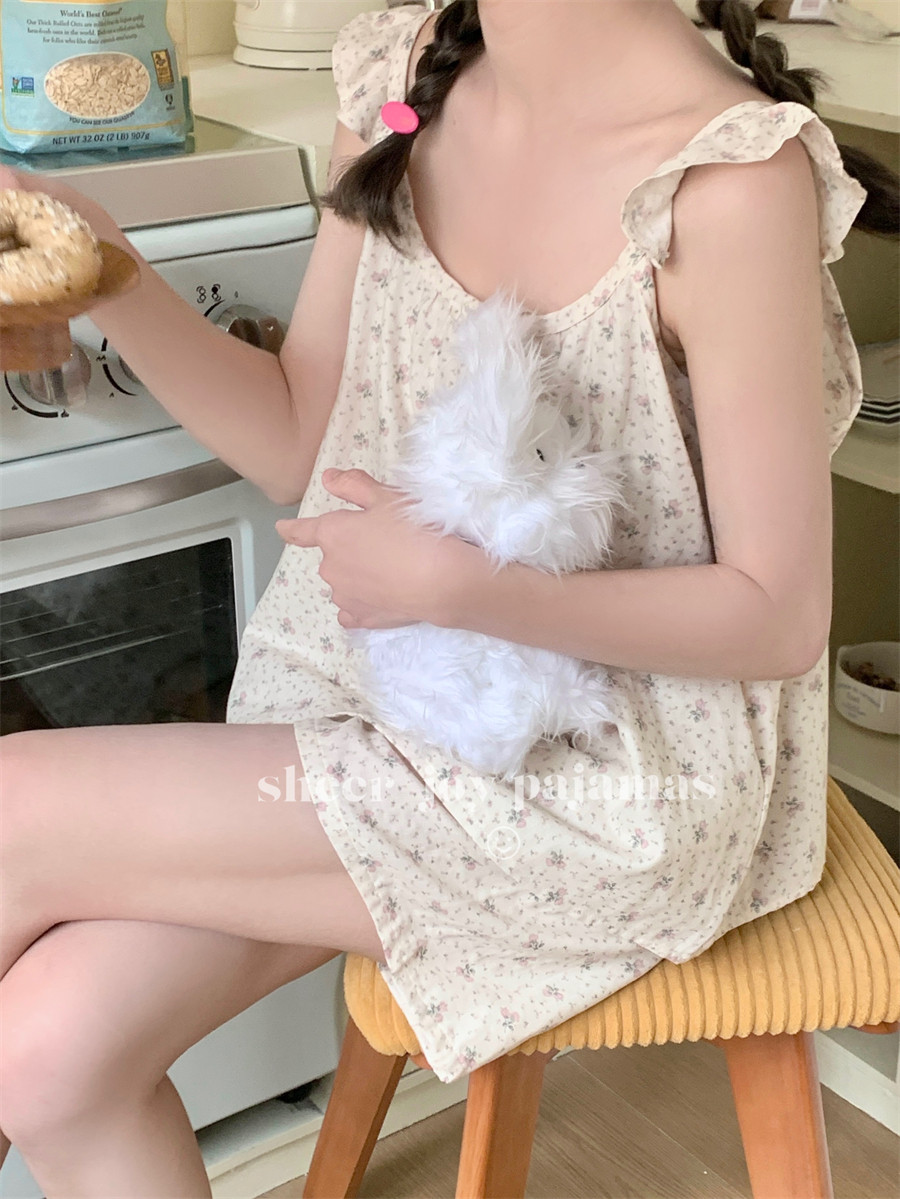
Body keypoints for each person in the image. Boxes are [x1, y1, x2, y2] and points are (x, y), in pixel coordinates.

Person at [0, 0, 896, 1193]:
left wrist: (466, 588)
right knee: (48, 1054)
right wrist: (107, 273)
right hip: (372, 695)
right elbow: (294, 441)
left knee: (10, 807)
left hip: (609, 776)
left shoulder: (729, 181)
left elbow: (776, 615)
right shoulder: (403, 72)